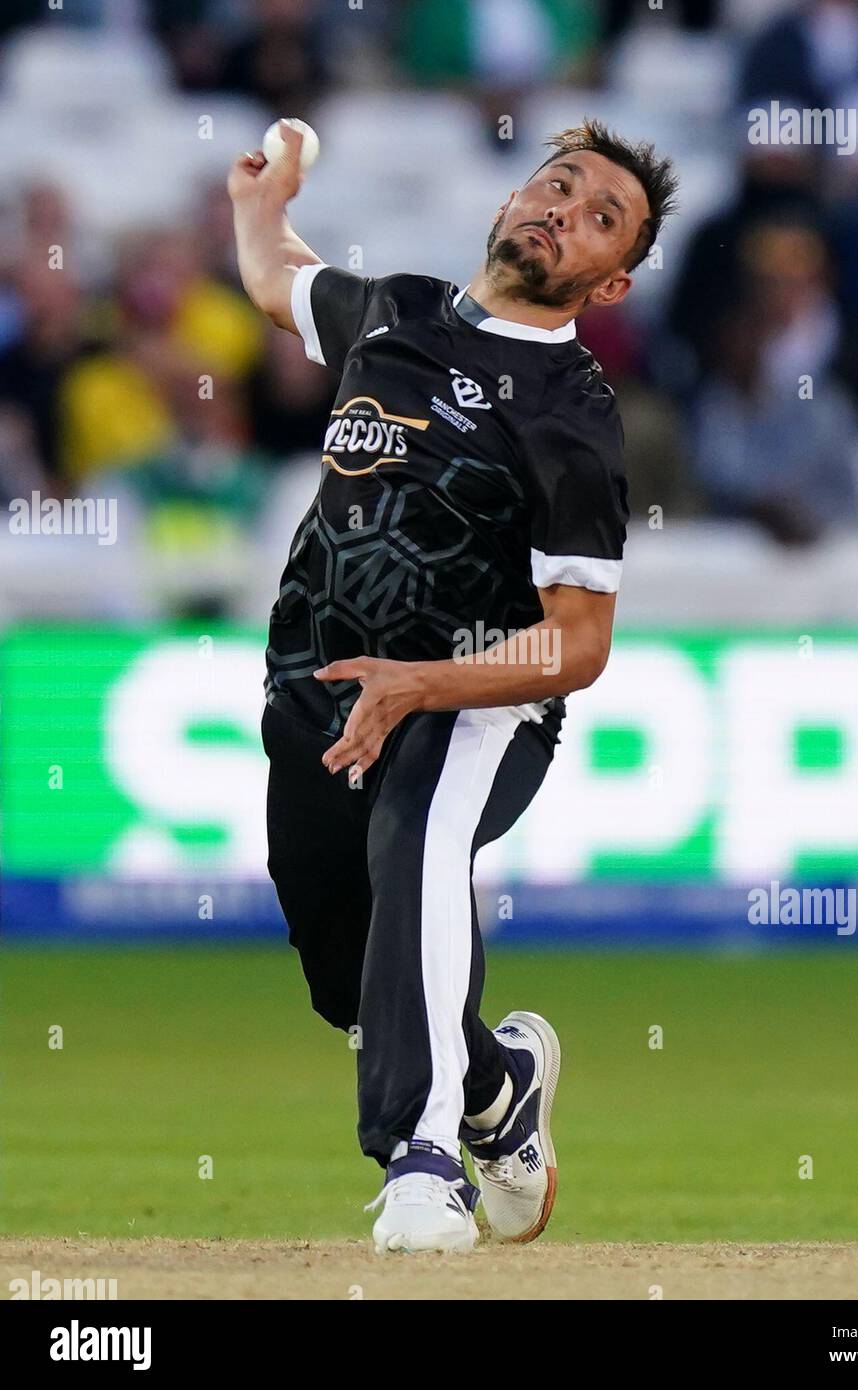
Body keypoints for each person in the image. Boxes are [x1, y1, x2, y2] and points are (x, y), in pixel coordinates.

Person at [228, 118, 675, 1254]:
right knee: (353, 979)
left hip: (484, 695)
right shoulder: (398, 314)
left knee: (418, 832)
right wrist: (260, 201)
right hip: (320, 694)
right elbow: (279, 281)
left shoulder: (572, 414)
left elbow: (578, 641)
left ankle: (425, 1161)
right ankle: (496, 1082)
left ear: (609, 279)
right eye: (559, 184)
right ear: (511, 197)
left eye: (598, 218)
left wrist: (425, 682)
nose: (563, 210)